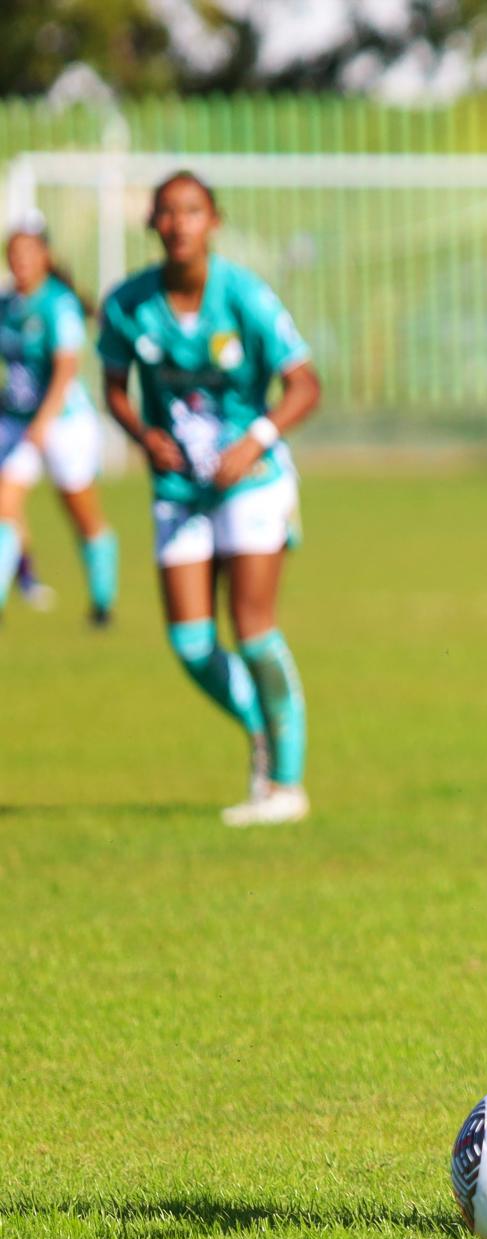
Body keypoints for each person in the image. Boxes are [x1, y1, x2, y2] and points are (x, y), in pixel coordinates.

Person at [98, 171, 321, 825]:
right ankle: (262, 727)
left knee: (252, 629)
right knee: (193, 644)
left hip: (252, 483)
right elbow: (114, 387)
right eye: (167, 212)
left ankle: (286, 781)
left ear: (213, 221)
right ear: (152, 223)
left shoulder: (244, 295)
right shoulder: (127, 304)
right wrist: (142, 433)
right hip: (179, 488)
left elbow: (305, 384)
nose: (179, 223)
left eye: (192, 211)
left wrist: (254, 440)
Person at [0, 215, 119, 627]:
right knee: (4, 506)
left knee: (81, 511)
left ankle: (102, 602)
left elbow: (66, 367)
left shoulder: (58, 304)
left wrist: (43, 421)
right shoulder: (6, 306)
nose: (21, 262)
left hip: (63, 423)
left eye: (29, 253)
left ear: (45, 257)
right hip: (18, 422)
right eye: (14, 254)